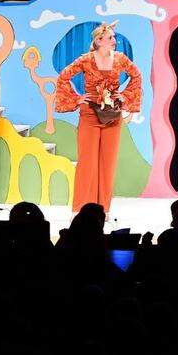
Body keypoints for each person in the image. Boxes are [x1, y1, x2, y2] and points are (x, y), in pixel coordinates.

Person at [54, 22, 142, 213]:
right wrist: (77, 99)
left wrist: (124, 96)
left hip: (112, 116)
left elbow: (137, 75)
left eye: (114, 37)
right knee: (87, 163)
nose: (114, 41)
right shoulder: (86, 60)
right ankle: (80, 210)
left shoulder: (120, 59)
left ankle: (104, 211)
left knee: (107, 164)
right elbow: (63, 76)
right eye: (110, 37)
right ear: (99, 41)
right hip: (89, 115)